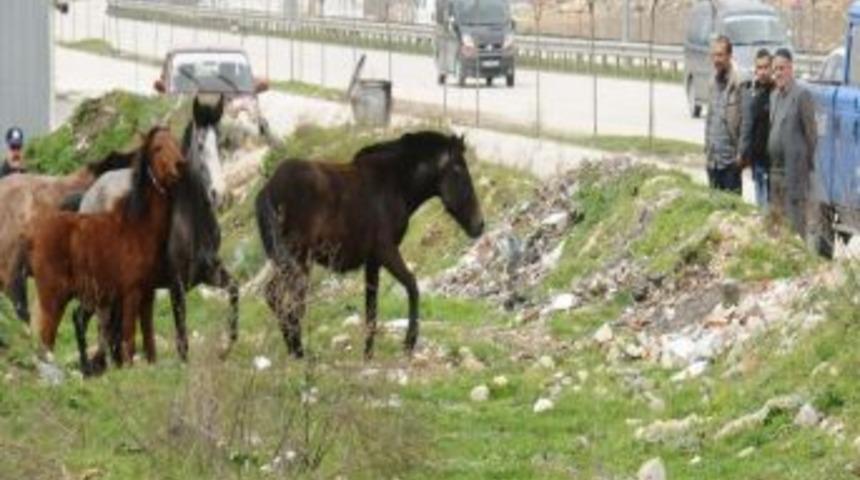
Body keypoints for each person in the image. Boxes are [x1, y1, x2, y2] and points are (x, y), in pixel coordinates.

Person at [767, 48, 817, 239]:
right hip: (775, 173)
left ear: (791, 69)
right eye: (775, 69)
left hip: (794, 175)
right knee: (776, 229)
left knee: (794, 231)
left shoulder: (802, 95)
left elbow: (812, 135)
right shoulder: (773, 96)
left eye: (782, 68)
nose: (778, 73)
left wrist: (803, 164)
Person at [704, 36, 743, 194]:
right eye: (714, 55)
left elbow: (744, 123)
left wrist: (741, 155)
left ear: (729, 56)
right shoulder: (712, 83)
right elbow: (710, 119)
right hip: (713, 161)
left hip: (730, 163)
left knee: (732, 212)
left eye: (720, 55)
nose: (716, 59)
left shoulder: (738, 84)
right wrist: (707, 150)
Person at [739, 49, 775, 209]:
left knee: (770, 206)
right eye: (759, 68)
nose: (762, 72)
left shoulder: (777, 93)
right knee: (761, 205)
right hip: (758, 160)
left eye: (766, 67)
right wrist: (745, 153)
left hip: (773, 161)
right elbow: (748, 125)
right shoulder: (753, 92)